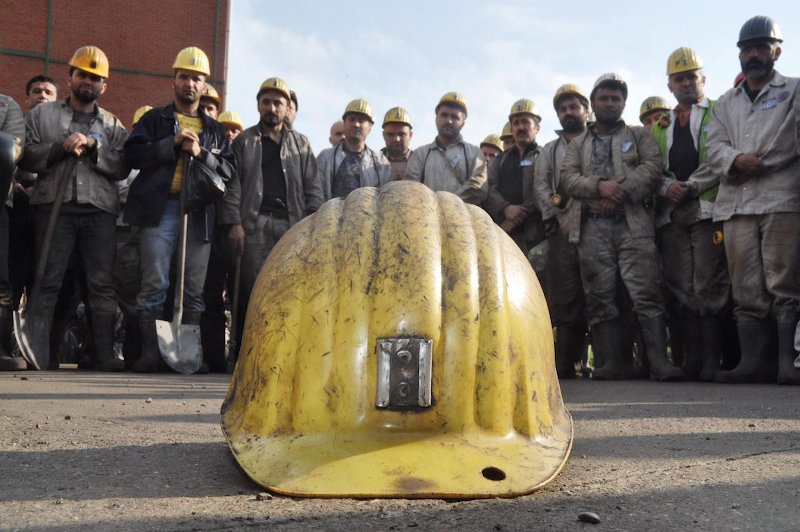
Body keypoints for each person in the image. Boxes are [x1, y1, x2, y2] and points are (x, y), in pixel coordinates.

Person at [561, 73, 682, 381]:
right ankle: (610, 364)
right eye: (604, 98)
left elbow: (652, 167)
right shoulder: (578, 144)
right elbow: (568, 178)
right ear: (593, 104)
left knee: (647, 293)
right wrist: (600, 187)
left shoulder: (639, 135)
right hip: (592, 228)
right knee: (599, 296)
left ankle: (659, 364)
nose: (610, 103)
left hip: (634, 226)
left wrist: (620, 191)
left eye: (616, 99)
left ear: (624, 104)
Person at [124, 46, 234, 373]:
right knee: (153, 284)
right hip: (160, 210)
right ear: (173, 80)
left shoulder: (215, 130)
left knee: (194, 290)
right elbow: (132, 156)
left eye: (197, 79)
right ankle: (151, 354)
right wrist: (169, 145)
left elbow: (229, 170)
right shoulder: (154, 120)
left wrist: (201, 153)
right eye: (184, 76)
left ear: (204, 85)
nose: (190, 83)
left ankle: (187, 357)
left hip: (199, 214)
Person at [18, 46, 128, 371]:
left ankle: (103, 355)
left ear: (104, 85)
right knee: (47, 280)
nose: (87, 82)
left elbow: (123, 165)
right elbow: (24, 154)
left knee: (100, 285)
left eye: (95, 78)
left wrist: (93, 147)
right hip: (54, 205)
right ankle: (39, 354)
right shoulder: (42, 116)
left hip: (99, 212)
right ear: (70, 77)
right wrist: (57, 149)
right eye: (82, 74)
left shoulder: (113, 125)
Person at [708, 16, 800, 385]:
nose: (754, 54)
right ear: (739, 55)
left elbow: (789, 140)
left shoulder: (794, 90)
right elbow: (714, 146)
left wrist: (759, 163)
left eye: (762, 47)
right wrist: (735, 160)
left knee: (784, 281)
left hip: (781, 199)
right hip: (736, 205)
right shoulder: (724, 103)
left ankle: (786, 363)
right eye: (747, 49)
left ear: (776, 51)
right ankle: (752, 363)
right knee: (745, 285)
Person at [219, 76, 324, 360]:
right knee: (252, 291)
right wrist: (234, 223)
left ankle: (283, 357)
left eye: (278, 102)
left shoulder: (301, 144)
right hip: (254, 226)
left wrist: (314, 224)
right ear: (258, 105)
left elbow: (314, 187)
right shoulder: (244, 142)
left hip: (292, 227)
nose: (272, 107)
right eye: (266, 102)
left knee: (290, 291)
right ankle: (246, 356)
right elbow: (233, 186)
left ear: (287, 107)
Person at [651, 47, 731, 381]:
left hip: (707, 209)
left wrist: (692, 186)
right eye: (679, 79)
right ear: (669, 85)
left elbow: (721, 157)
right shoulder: (661, 124)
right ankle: (692, 360)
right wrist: (664, 187)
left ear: (703, 79)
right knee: (680, 285)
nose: (686, 83)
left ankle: (713, 360)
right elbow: (651, 167)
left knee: (709, 282)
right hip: (672, 214)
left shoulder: (719, 112)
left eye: (691, 77)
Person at [533, 84, 591, 378]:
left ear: (586, 110)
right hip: (561, 230)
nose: (569, 112)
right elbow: (541, 186)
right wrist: (557, 215)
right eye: (563, 108)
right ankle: (566, 362)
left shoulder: (598, 141)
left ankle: (612, 363)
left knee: (600, 293)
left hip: (597, 226)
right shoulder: (549, 150)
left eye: (574, 106)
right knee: (565, 296)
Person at [406, 92, 487, 205]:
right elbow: (410, 188)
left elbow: (477, 187)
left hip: (463, 215)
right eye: (444, 115)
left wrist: (448, 205)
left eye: (455, 117)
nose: (449, 121)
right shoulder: (420, 154)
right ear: (436, 119)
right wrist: (432, 207)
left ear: (463, 123)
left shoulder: (475, 154)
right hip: (427, 214)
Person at [485, 99, 544, 254]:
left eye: (525, 122)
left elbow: (545, 189)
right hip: (505, 234)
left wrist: (517, 215)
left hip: (536, 236)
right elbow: (489, 188)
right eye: (516, 123)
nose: (521, 127)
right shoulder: (499, 160)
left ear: (537, 128)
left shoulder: (545, 157)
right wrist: (505, 208)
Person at [316, 99, 390, 200]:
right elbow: (317, 194)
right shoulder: (325, 157)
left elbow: (386, 199)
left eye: (361, 120)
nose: (356, 124)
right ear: (344, 123)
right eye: (352, 119)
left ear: (370, 127)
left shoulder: (381, 162)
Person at [0, 93, 24, 371]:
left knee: (1, 280)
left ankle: (1, 346)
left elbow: (15, 146)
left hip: (0, 200)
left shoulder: (6, 105)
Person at [380, 107, 413, 181]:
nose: (396, 139)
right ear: (384, 135)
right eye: (391, 134)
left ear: (410, 135)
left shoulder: (421, 163)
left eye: (401, 134)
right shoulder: (374, 163)